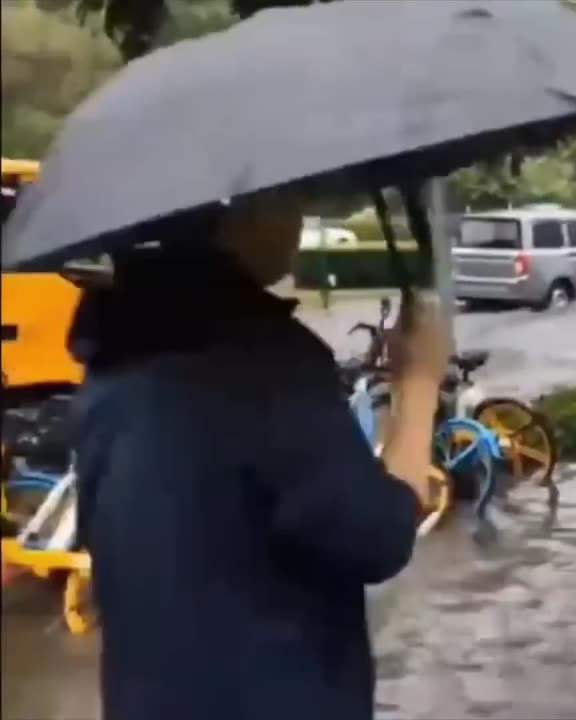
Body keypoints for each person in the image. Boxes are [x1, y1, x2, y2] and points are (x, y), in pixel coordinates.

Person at [68, 187, 449, 720]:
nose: (298, 216)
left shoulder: (110, 361)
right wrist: (420, 386)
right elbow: (377, 538)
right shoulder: (269, 364)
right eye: (287, 199)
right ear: (235, 215)